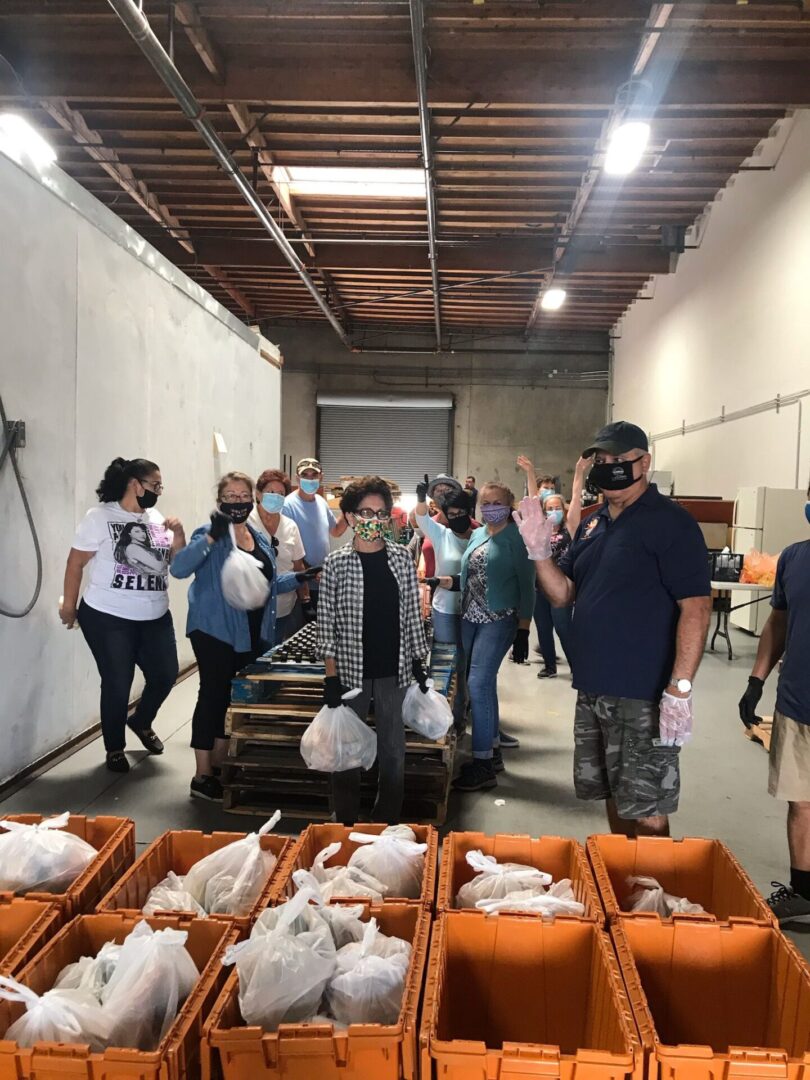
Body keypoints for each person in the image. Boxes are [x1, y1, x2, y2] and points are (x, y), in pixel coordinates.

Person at [514, 421, 712, 837]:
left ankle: (651, 892)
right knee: (611, 791)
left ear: (645, 463)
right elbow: (562, 594)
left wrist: (680, 688)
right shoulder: (592, 523)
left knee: (647, 804)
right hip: (593, 688)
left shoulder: (670, 523)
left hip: (642, 692)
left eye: (620, 460)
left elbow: (696, 606)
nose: (610, 468)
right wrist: (538, 551)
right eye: (602, 461)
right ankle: (622, 880)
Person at [171, 471, 306, 801]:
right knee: (213, 695)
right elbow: (179, 569)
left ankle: (219, 764)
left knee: (232, 698)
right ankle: (202, 775)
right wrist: (211, 538)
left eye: (242, 495)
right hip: (214, 629)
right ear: (220, 501)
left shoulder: (258, 539)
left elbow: (267, 585)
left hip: (250, 631)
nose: (237, 502)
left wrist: (304, 577)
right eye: (229, 497)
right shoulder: (211, 533)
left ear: (252, 498)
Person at [60, 457, 184, 773]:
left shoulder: (156, 519)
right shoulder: (99, 517)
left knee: (165, 674)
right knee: (118, 681)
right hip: (107, 615)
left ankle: (141, 721)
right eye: (154, 485)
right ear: (135, 484)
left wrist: (178, 536)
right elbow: (75, 564)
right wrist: (69, 606)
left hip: (155, 615)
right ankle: (114, 747)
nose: (158, 491)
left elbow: (173, 565)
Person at [317, 476, 429, 824]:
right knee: (347, 749)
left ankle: (386, 819)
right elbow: (326, 625)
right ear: (350, 517)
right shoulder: (336, 564)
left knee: (393, 749)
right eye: (365, 512)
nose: (374, 521)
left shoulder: (399, 559)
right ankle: (346, 818)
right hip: (350, 671)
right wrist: (331, 679)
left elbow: (412, 614)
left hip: (393, 670)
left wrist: (418, 662)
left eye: (381, 514)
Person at [739, 484, 810, 924]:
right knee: (800, 802)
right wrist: (755, 681)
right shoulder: (794, 558)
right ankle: (803, 890)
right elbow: (778, 621)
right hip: (798, 702)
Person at [451, 482, 536, 792]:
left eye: (496, 502)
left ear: (509, 503)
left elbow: (528, 587)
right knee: (483, 683)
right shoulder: (479, 533)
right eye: (485, 502)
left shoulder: (517, 538)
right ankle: (494, 748)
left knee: (477, 683)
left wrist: (523, 630)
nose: (490, 507)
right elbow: (471, 575)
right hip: (470, 618)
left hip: (498, 620)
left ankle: (483, 764)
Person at [517, 454, 588, 677]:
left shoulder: (570, 527)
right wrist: (530, 473)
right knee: (544, 629)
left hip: (561, 586)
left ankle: (579, 669)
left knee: (564, 628)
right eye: (549, 508)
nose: (553, 511)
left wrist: (579, 472)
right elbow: (532, 498)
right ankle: (549, 666)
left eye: (557, 507)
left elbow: (576, 497)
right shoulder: (540, 527)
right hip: (539, 587)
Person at [415, 480, 475, 729]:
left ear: (469, 513)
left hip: (474, 612)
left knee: (466, 666)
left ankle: (460, 716)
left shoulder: (480, 535)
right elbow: (420, 520)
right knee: (445, 666)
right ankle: (441, 718)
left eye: (462, 513)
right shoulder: (441, 535)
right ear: (446, 516)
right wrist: (420, 500)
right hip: (445, 611)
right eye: (452, 514)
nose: (457, 517)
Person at [250, 468, 312, 642]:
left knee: (274, 654)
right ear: (258, 494)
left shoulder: (290, 526)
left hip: (284, 608)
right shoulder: (247, 523)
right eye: (270, 492)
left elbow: (298, 566)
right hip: (253, 608)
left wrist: (305, 601)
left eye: (280, 494)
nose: (275, 497)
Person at [282, 457, 348, 606]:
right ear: (297, 478)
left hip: (321, 580)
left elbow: (336, 531)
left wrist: (348, 507)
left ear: (321, 477)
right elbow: (289, 550)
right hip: (300, 583)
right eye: (305, 475)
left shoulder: (321, 502)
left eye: (314, 475)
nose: (310, 479)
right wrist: (310, 572)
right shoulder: (288, 505)